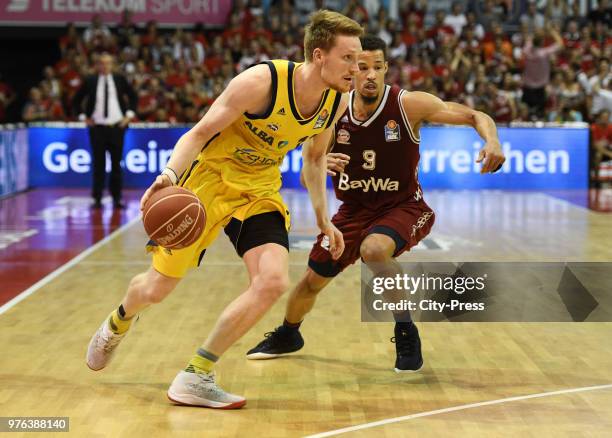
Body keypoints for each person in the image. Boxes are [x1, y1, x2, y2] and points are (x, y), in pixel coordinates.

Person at [86, 10, 363, 409]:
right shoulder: (260, 82)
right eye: (348, 58)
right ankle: (119, 320)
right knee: (156, 288)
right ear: (319, 56)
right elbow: (198, 132)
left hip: (259, 189)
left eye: (358, 59)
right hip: (207, 184)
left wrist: (324, 219)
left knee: (271, 281)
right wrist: (168, 175)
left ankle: (195, 374)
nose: (356, 68)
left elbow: (316, 159)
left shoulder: (337, 100)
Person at [247, 35, 505, 372]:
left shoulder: (407, 104)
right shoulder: (332, 108)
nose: (370, 75)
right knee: (310, 282)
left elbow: (474, 115)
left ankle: (405, 329)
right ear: (350, 70)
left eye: (378, 68)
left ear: (386, 70)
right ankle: (288, 333)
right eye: (362, 67)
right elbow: (307, 165)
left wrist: (493, 140)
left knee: (374, 250)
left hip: (402, 206)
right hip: (352, 211)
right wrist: (323, 162)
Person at [73, 53, 137, 209]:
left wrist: (128, 116)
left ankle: (117, 198)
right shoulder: (90, 81)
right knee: (98, 164)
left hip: (116, 127)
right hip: (97, 128)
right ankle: (97, 198)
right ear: (97, 65)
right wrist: (84, 117)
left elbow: (133, 96)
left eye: (108, 63)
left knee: (116, 164)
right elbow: (76, 100)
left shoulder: (119, 79)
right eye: (102, 63)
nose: (105, 66)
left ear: (112, 64)